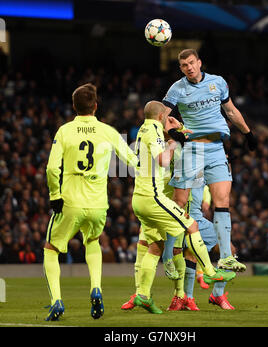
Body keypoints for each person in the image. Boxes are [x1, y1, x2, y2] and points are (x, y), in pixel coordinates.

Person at [130, 100, 236, 314]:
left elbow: (185, 137)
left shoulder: (148, 131)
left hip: (153, 199)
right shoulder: (170, 142)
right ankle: (203, 276)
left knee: (166, 246)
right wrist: (174, 136)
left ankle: (164, 295)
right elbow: (166, 156)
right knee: (181, 238)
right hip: (161, 199)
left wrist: (177, 128)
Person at [43, 83, 138, 321]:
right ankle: (96, 288)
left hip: (71, 200)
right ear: (96, 107)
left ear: (74, 106)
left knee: (51, 249)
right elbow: (133, 161)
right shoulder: (108, 131)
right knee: (93, 240)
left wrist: (55, 195)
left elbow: (52, 168)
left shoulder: (65, 131)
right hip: (98, 203)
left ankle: (56, 301)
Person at [162, 48, 257, 272]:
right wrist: (171, 133)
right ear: (181, 68)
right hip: (192, 149)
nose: (189, 68)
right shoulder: (177, 88)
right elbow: (160, 116)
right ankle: (168, 255)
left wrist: (248, 134)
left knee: (222, 202)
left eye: (192, 63)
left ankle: (225, 257)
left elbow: (231, 111)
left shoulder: (218, 82)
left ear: (200, 62)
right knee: (180, 203)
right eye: (185, 65)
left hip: (216, 149)